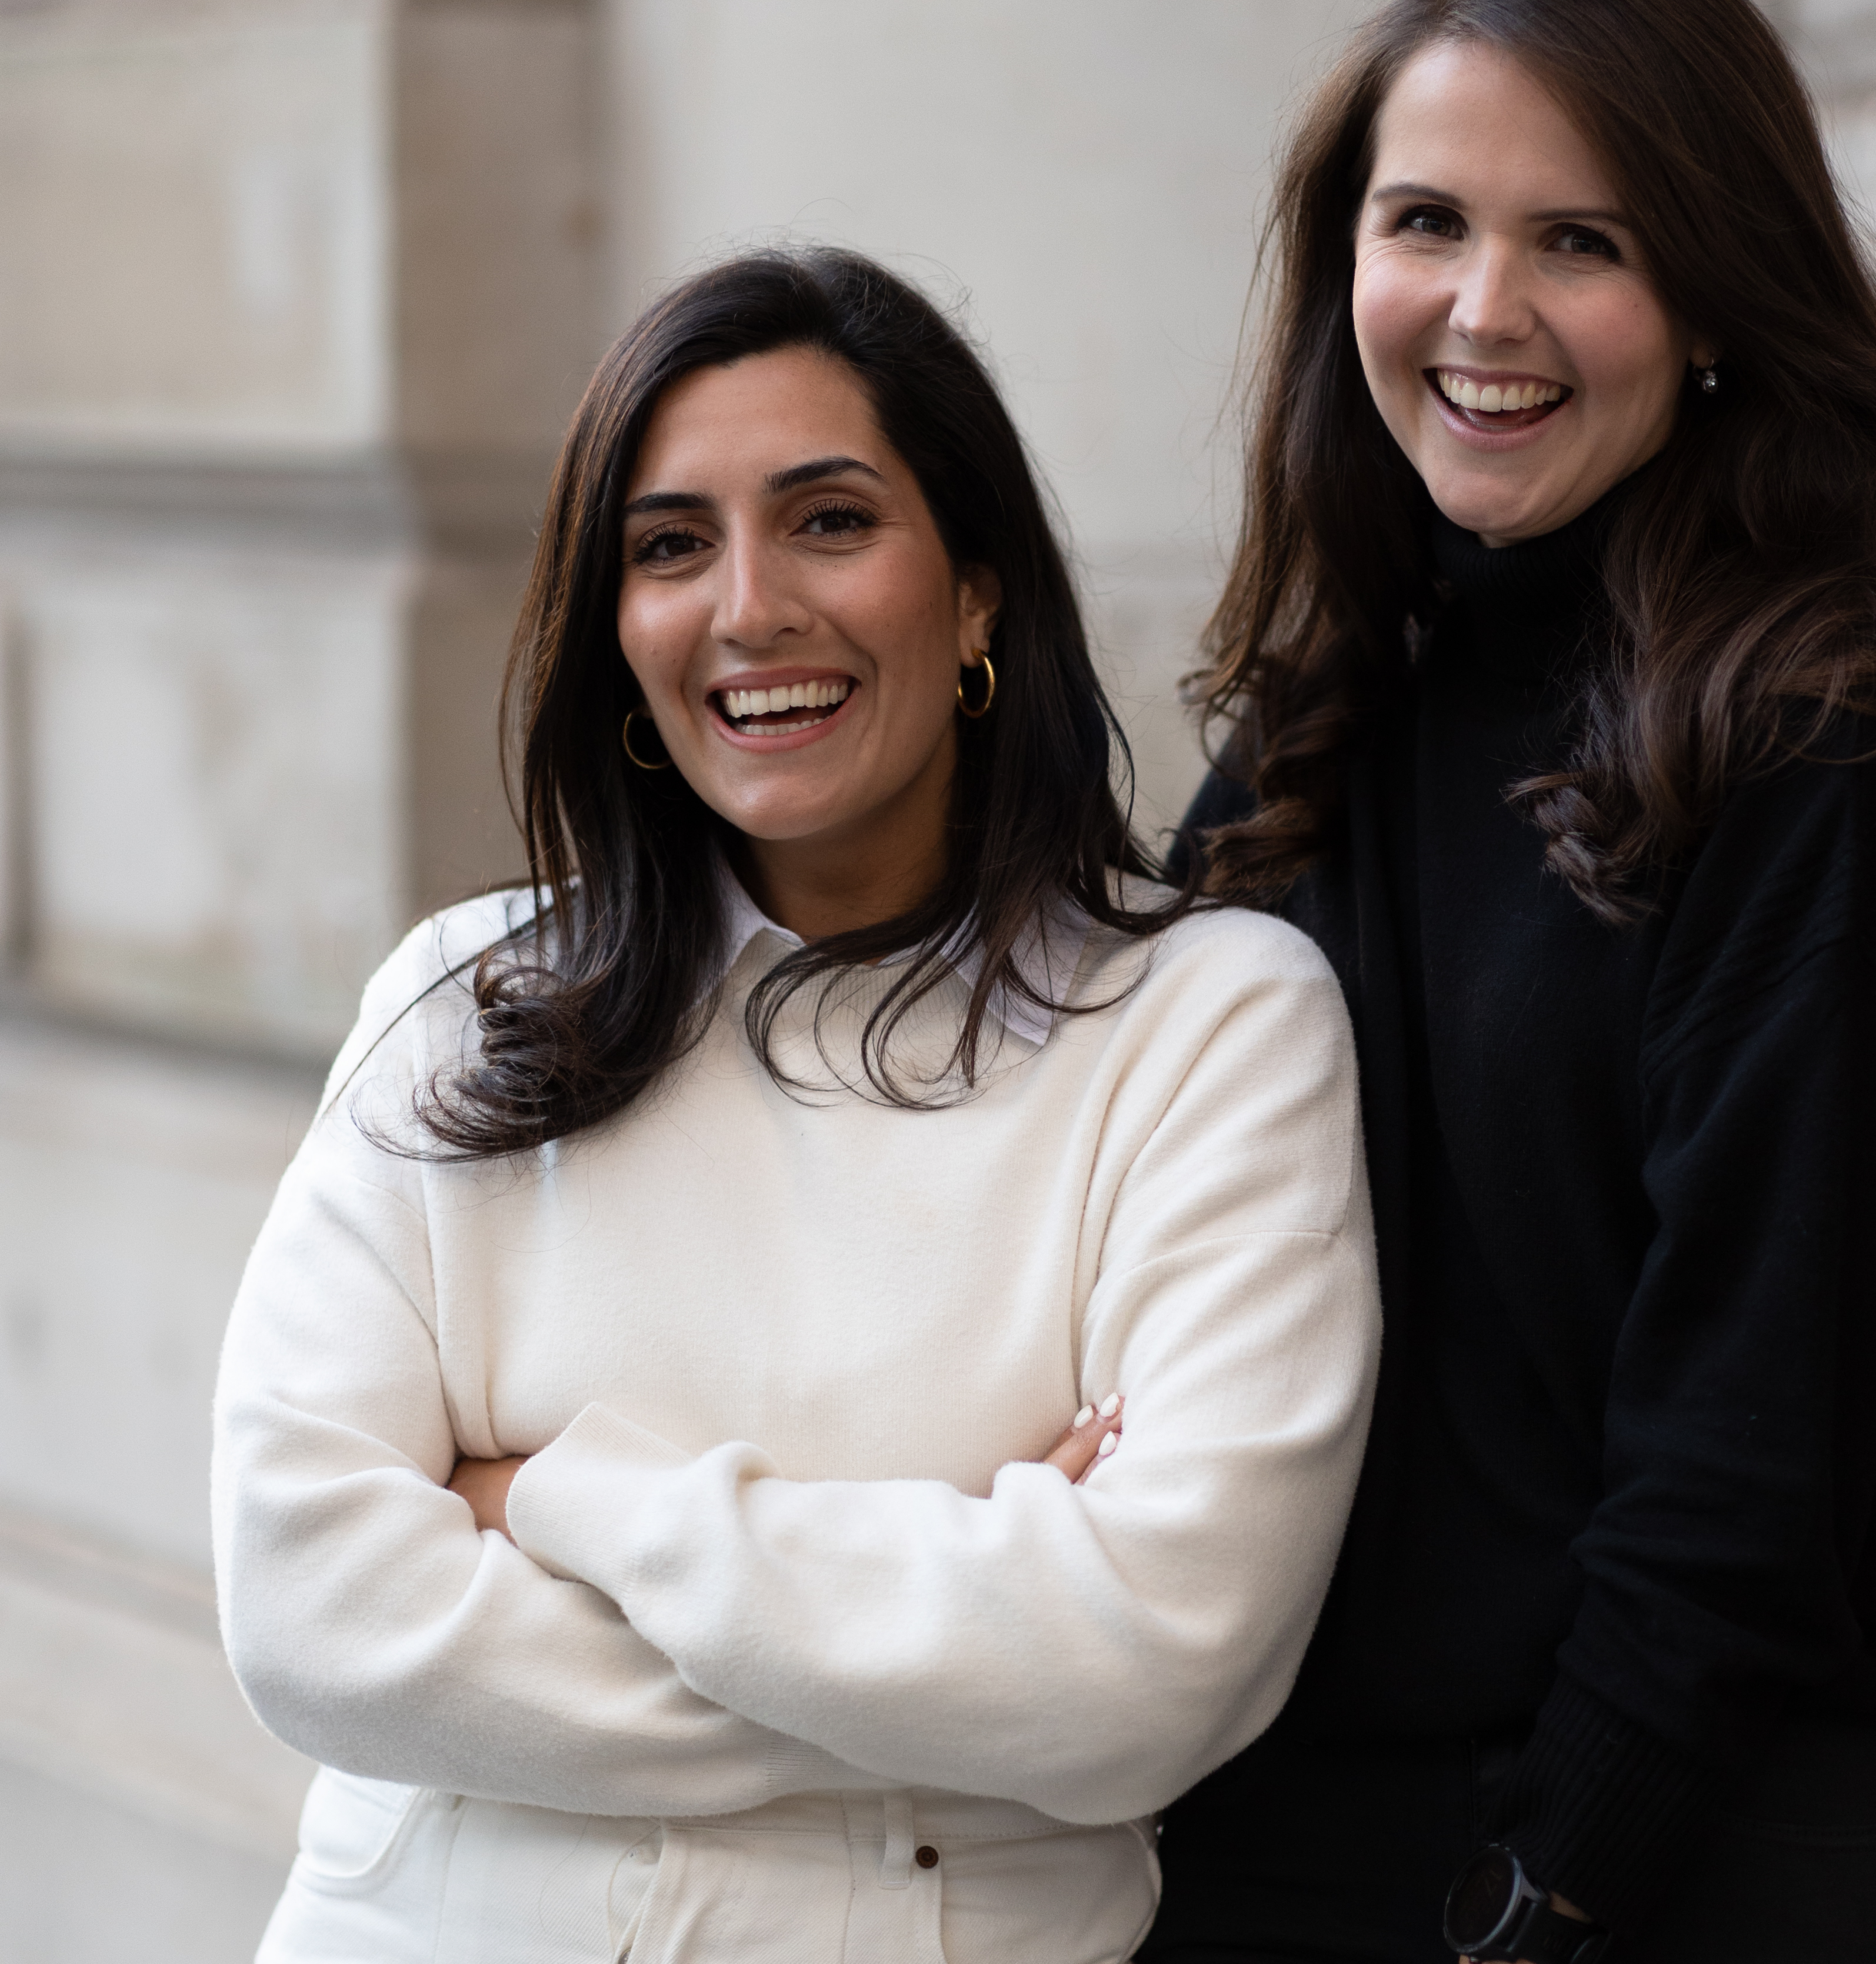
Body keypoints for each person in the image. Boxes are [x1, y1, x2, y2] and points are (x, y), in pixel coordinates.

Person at [212, 248, 1380, 1964]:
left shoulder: (1205, 1029)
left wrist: (552, 1501)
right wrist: (955, 1654)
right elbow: (307, 1606)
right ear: (616, 627)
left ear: (978, 591)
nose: (749, 607)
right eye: (671, 545)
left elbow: (1151, 1666)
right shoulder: (459, 1010)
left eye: (830, 520)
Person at [1141, 0, 1876, 1964]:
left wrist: (1544, 1894)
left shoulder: (1827, 746)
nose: (1483, 311)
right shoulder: (1331, 717)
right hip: (1299, 1831)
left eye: (1585, 243)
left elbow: (1750, 1442)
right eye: (1427, 222)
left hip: (1671, 1866)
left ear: (1716, 292)